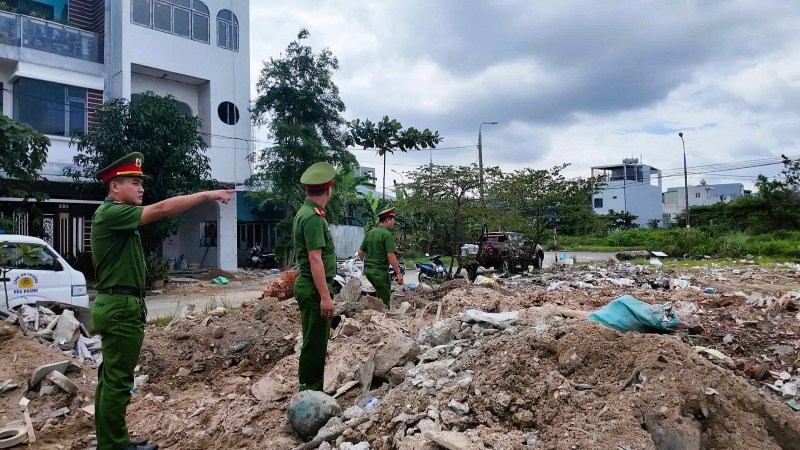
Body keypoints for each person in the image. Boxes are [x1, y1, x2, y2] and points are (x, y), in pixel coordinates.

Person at [90, 152, 234, 450]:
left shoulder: (117, 216)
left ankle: (112, 440)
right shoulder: (112, 213)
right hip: (119, 307)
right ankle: (114, 446)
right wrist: (207, 194)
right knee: (117, 380)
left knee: (111, 378)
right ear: (114, 186)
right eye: (134, 182)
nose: (141, 188)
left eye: (141, 182)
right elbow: (165, 209)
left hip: (119, 304)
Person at [292, 162, 337, 391]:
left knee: (313, 341)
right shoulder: (312, 218)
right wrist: (325, 297)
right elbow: (315, 259)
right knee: (315, 344)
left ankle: (308, 387)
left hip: (310, 286)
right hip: (312, 287)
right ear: (328, 190)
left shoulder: (308, 213)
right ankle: (311, 391)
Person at [358, 208, 404, 308]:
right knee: (384, 300)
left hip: (369, 271)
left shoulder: (370, 232)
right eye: (393, 220)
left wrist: (368, 262)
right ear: (387, 220)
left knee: (378, 295)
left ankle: (374, 312)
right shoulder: (387, 235)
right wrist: (398, 273)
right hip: (380, 273)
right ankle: (382, 318)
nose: (394, 223)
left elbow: (360, 253)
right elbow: (391, 255)